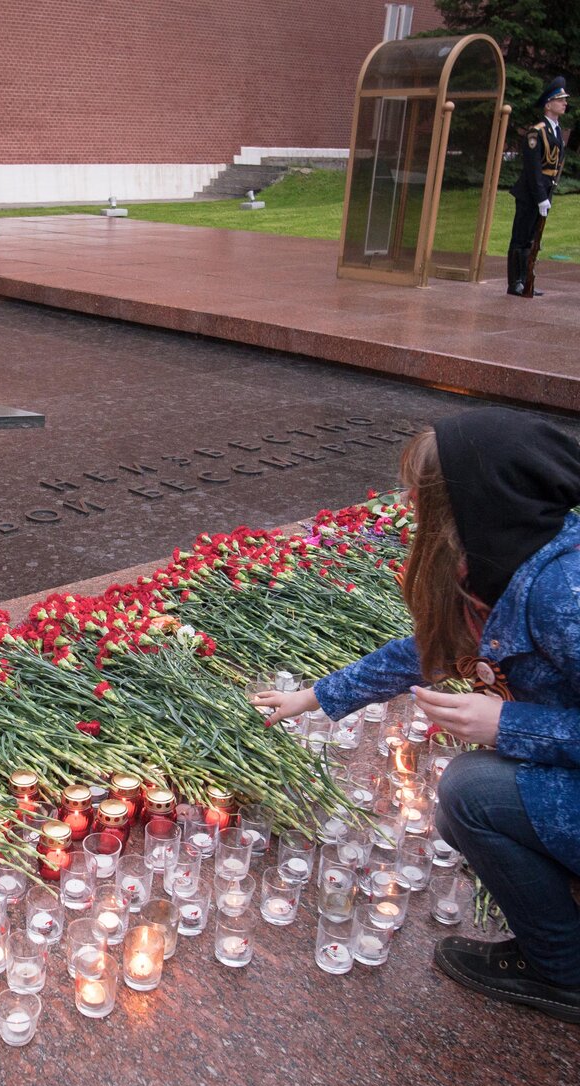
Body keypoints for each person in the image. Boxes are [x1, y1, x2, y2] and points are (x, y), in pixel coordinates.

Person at [253, 408, 580, 1023]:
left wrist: (506, 725)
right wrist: (314, 698)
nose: (411, 509)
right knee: (475, 799)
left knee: (470, 793)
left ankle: (563, 970)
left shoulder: (565, 591)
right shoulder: (501, 561)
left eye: (427, 497)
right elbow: (426, 650)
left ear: (480, 500)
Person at [507, 76, 568, 297]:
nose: (564, 103)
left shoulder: (557, 131)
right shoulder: (537, 131)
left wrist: (547, 195)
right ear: (548, 104)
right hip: (530, 193)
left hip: (545, 190)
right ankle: (516, 283)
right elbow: (533, 169)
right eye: (560, 100)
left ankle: (526, 280)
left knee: (533, 239)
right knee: (521, 237)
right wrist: (541, 197)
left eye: (564, 100)